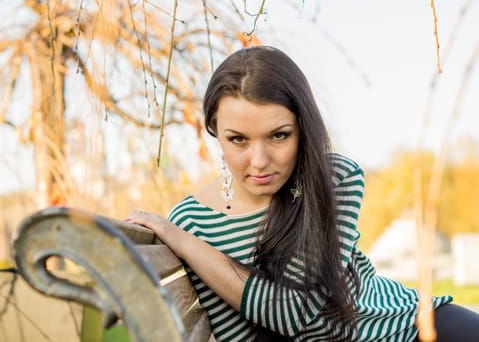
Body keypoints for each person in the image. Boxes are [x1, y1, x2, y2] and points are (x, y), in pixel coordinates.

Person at [127, 46, 479, 341]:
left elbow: (290, 311)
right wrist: (184, 235)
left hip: (411, 326)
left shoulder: (335, 179)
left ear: (303, 128)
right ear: (215, 133)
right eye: (238, 140)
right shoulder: (192, 222)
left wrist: (186, 243)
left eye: (279, 135)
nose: (260, 161)